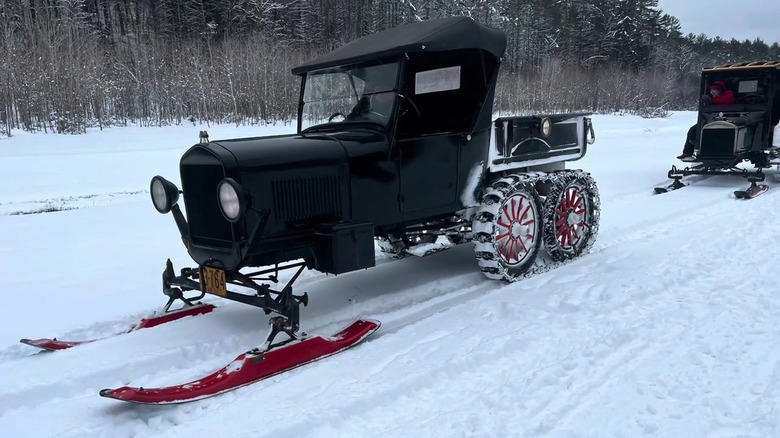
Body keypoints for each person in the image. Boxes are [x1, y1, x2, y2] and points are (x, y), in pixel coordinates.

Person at [677, 81, 737, 160]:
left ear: (720, 90)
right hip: (711, 120)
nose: (712, 92)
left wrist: (712, 101)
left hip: (729, 120)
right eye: (711, 90)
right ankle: (687, 153)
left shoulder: (728, 95)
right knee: (693, 130)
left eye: (714, 90)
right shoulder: (711, 98)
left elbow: (727, 99)